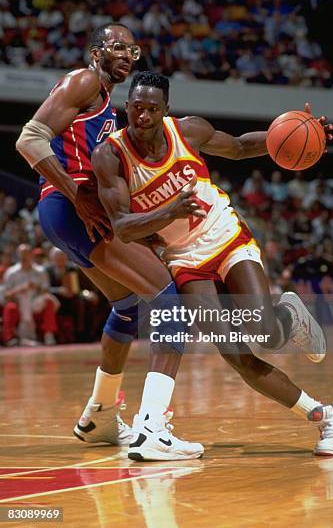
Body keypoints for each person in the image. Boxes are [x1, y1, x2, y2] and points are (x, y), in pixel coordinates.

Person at [91, 70, 333, 459]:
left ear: (166, 110)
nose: (142, 116)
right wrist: (168, 212)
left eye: (151, 109)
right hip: (184, 259)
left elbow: (241, 148)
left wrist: (298, 133)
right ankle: (326, 416)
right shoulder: (110, 155)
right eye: (136, 108)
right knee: (235, 354)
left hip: (224, 235)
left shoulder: (189, 132)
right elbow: (123, 227)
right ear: (127, 106)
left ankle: (289, 317)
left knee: (264, 332)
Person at [16, 23, 203, 461]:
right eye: (117, 46)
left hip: (68, 214)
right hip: (70, 209)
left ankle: (98, 416)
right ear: (96, 50)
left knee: (127, 306)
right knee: (166, 296)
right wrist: (74, 193)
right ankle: (154, 428)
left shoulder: (105, 102)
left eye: (132, 49)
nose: (127, 55)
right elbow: (29, 138)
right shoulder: (83, 81)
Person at [2, 243, 59, 346]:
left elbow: (46, 291)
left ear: (31, 255)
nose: (23, 256)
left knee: (48, 301)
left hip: (35, 304)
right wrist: (20, 289)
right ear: (17, 255)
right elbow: (6, 295)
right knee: (10, 308)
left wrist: (36, 287)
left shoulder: (40, 271)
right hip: (19, 303)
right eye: (21, 254)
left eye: (26, 253)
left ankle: (48, 334)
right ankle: (10, 338)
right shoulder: (11, 272)